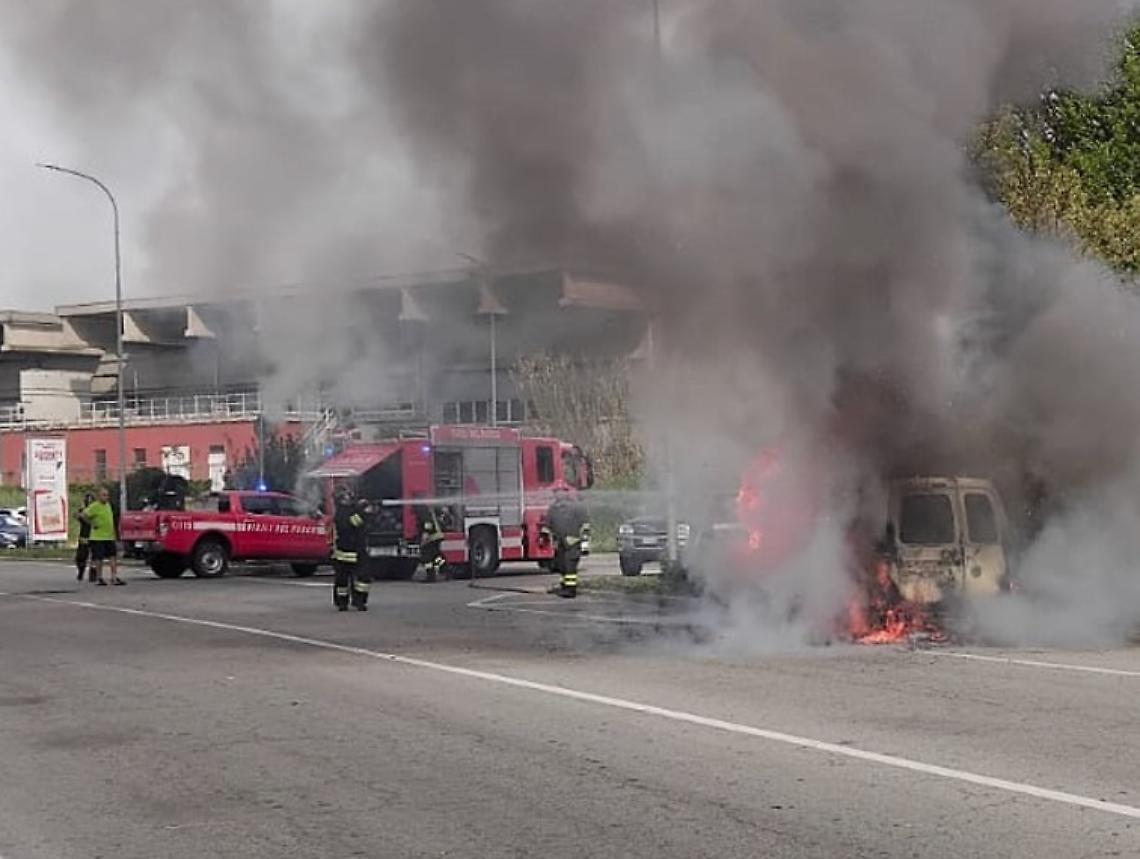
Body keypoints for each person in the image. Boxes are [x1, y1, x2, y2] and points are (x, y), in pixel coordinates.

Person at [332, 486, 371, 611]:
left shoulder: (351, 509)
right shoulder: (341, 513)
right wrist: (363, 512)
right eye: (346, 496)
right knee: (342, 580)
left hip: (359, 550)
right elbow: (353, 523)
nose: (349, 497)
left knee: (363, 579)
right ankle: (342, 603)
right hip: (345, 552)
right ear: (340, 499)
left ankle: (360, 601)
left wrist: (365, 509)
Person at [546, 489, 588, 598]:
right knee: (562, 566)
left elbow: (585, 526)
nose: (558, 494)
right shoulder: (553, 509)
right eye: (556, 492)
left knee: (570, 567)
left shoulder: (576, 508)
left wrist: (585, 543)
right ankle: (564, 586)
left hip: (573, 542)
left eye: (561, 492)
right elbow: (548, 525)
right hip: (560, 543)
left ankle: (570, 590)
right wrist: (546, 536)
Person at [81, 486, 124, 586]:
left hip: (109, 536)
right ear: (98, 496)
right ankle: (99, 577)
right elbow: (83, 515)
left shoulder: (108, 505)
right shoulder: (94, 506)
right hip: (97, 537)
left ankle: (114, 577)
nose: (106, 497)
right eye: (104, 495)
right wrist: (92, 523)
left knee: (113, 556)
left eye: (107, 495)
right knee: (99, 558)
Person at [418, 504, 448, 583]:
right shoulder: (430, 509)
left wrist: (425, 536)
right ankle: (446, 569)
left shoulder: (423, 510)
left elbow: (428, 524)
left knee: (427, 557)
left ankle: (431, 576)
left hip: (432, 537)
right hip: (437, 536)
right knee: (436, 555)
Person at [74, 491, 95, 582]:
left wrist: (85, 518)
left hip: (95, 535)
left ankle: (93, 574)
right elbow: (78, 517)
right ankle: (81, 571)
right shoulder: (82, 510)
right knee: (81, 556)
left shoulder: (96, 510)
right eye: (87, 500)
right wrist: (79, 516)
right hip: (84, 535)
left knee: (95, 556)